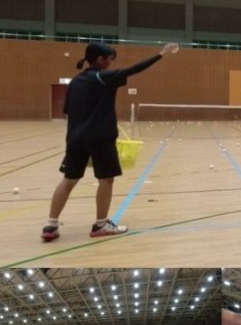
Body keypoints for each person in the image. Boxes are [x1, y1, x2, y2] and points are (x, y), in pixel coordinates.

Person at [41, 41, 179, 242]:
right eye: (109, 60)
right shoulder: (103, 77)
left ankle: (51, 225)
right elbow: (134, 69)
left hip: (75, 138)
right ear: (100, 59)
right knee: (106, 180)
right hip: (100, 138)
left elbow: (68, 111)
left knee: (69, 180)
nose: (111, 64)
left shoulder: (75, 82)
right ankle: (101, 225)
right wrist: (161, 54)